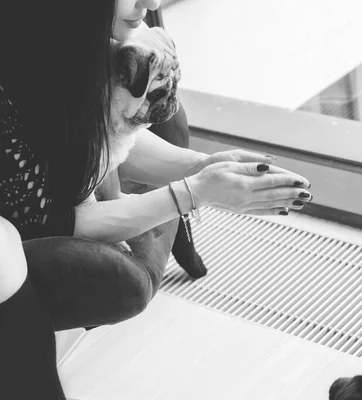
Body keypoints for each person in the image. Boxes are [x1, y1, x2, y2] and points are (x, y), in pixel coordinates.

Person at [0, 0, 312, 398]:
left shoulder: (80, 49)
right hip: (27, 220)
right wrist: (193, 192)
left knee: (169, 125)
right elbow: (59, 218)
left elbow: (104, 134)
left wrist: (202, 164)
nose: (151, 3)